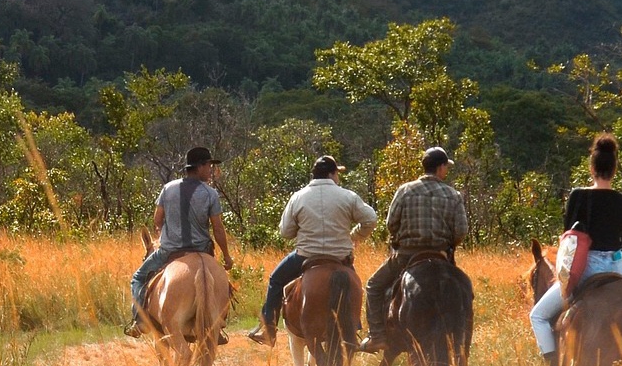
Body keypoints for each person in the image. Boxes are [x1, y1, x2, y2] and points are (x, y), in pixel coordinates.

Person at [527, 133, 622, 366]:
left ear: (592, 167)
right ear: (614, 169)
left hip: (585, 267)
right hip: (617, 267)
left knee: (538, 316)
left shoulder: (578, 196)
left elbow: (569, 238)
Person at [245, 155, 378, 346]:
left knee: (276, 280)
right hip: (340, 257)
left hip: (305, 256)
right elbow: (370, 219)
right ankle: (354, 328)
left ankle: (269, 330)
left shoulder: (298, 197)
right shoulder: (348, 196)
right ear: (332, 174)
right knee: (354, 284)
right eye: (337, 174)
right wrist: (355, 235)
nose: (338, 178)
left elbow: (285, 232)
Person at [357, 146, 468, 353]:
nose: (446, 171)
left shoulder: (405, 190)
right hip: (441, 255)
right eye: (446, 167)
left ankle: (377, 336)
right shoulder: (453, 195)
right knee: (465, 289)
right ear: (440, 168)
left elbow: (391, 223)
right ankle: (461, 337)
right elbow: (461, 230)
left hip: (406, 256)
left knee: (374, 286)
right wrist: (449, 245)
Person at [126, 146, 236, 338]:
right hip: (202, 250)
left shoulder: (168, 189)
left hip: (169, 250)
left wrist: (166, 235)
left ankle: (140, 320)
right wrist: (226, 256)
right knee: (223, 283)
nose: (210, 170)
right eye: (208, 165)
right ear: (199, 167)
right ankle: (218, 325)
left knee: (138, 278)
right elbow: (218, 228)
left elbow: (157, 219)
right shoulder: (210, 194)